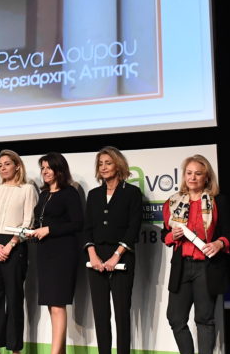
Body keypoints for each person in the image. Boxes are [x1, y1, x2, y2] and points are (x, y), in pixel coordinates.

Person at [162, 155, 230, 354]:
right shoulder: (173, 202)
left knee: (204, 319)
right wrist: (172, 236)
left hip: (206, 267)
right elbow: (163, 234)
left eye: (198, 174)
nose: (192, 178)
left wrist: (219, 243)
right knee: (175, 318)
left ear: (207, 177)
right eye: (189, 173)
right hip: (182, 266)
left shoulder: (218, 201)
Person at [82, 146, 142, 354]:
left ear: (118, 165)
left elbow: (133, 228)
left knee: (121, 314)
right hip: (96, 259)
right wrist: (92, 255)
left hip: (122, 258)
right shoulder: (93, 194)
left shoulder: (132, 193)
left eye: (108, 163)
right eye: (100, 163)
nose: (104, 167)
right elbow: (87, 228)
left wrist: (116, 256)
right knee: (101, 315)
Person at [0, 150, 39, 354]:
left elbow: (28, 221)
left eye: (7, 163)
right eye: (0, 165)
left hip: (15, 247)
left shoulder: (27, 189)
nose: (3, 168)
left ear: (17, 166)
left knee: (14, 298)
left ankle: (15, 349)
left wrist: (10, 244)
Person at [28, 152, 83, 354]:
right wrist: (32, 231)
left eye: (48, 167)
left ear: (59, 169)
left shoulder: (69, 193)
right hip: (45, 253)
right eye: (42, 168)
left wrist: (49, 230)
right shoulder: (44, 194)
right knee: (52, 305)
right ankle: (59, 351)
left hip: (63, 254)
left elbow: (77, 223)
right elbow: (40, 221)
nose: (44, 171)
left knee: (58, 305)